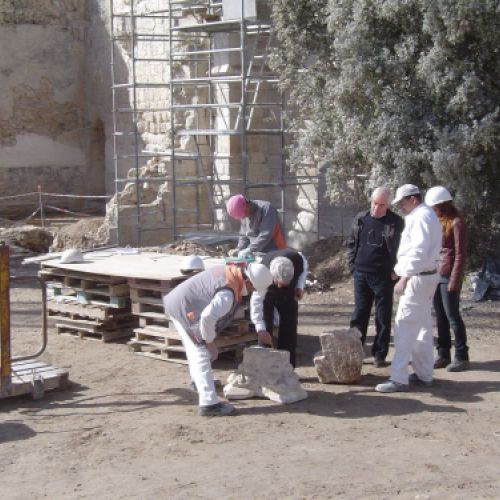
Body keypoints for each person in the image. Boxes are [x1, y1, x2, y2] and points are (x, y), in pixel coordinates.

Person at [163, 260, 273, 416]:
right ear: (247, 280)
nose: (251, 291)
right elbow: (207, 317)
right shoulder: (227, 295)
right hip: (185, 309)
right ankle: (209, 404)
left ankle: (199, 383)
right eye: (252, 288)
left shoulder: (232, 272)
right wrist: (209, 342)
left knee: (194, 350)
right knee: (201, 353)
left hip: (180, 303)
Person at [375, 184, 442, 393]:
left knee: (404, 326)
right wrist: (401, 269)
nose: (401, 207)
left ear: (413, 199)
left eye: (403, 202)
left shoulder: (421, 217)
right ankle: (424, 374)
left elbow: (419, 251)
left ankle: (398, 378)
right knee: (422, 327)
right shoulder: (427, 215)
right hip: (426, 277)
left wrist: (405, 276)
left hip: (418, 279)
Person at [347, 187, 404, 367]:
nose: (376, 208)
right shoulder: (361, 219)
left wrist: (397, 270)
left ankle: (379, 355)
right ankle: (355, 352)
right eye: (374, 203)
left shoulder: (396, 222)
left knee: (382, 316)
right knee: (359, 314)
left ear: (388, 205)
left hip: (383, 276)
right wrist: (352, 266)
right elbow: (351, 243)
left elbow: (403, 248)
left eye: (381, 205)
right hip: (361, 274)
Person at [425, 186, 469, 372]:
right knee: (440, 317)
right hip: (437, 274)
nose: (432, 210)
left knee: (452, 317)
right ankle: (443, 353)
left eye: (434, 207)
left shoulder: (456, 223)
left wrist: (454, 280)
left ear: (441, 205)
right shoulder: (438, 221)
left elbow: (460, 254)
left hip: (447, 275)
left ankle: (461, 356)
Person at [250, 249, 308, 367]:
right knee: (266, 327)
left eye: (283, 284)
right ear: (272, 276)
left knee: (290, 325)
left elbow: (303, 271)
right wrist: (260, 328)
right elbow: (256, 302)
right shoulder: (262, 273)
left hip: (289, 294)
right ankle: (263, 368)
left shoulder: (298, 259)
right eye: (278, 283)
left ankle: (288, 367)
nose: (279, 287)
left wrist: (299, 286)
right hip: (268, 295)